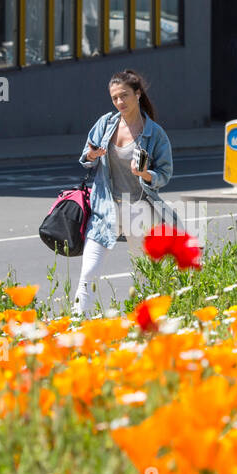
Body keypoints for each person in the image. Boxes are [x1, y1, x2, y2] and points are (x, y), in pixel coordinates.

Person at [73, 69, 174, 317]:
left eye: (124, 96)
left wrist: (145, 175)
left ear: (138, 94)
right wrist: (92, 155)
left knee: (145, 273)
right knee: (88, 272)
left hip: (138, 209)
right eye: (115, 97)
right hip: (105, 207)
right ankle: (76, 325)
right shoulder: (106, 124)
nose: (119, 102)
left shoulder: (155, 133)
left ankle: (148, 323)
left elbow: (165, 173)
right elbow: (85, 156)